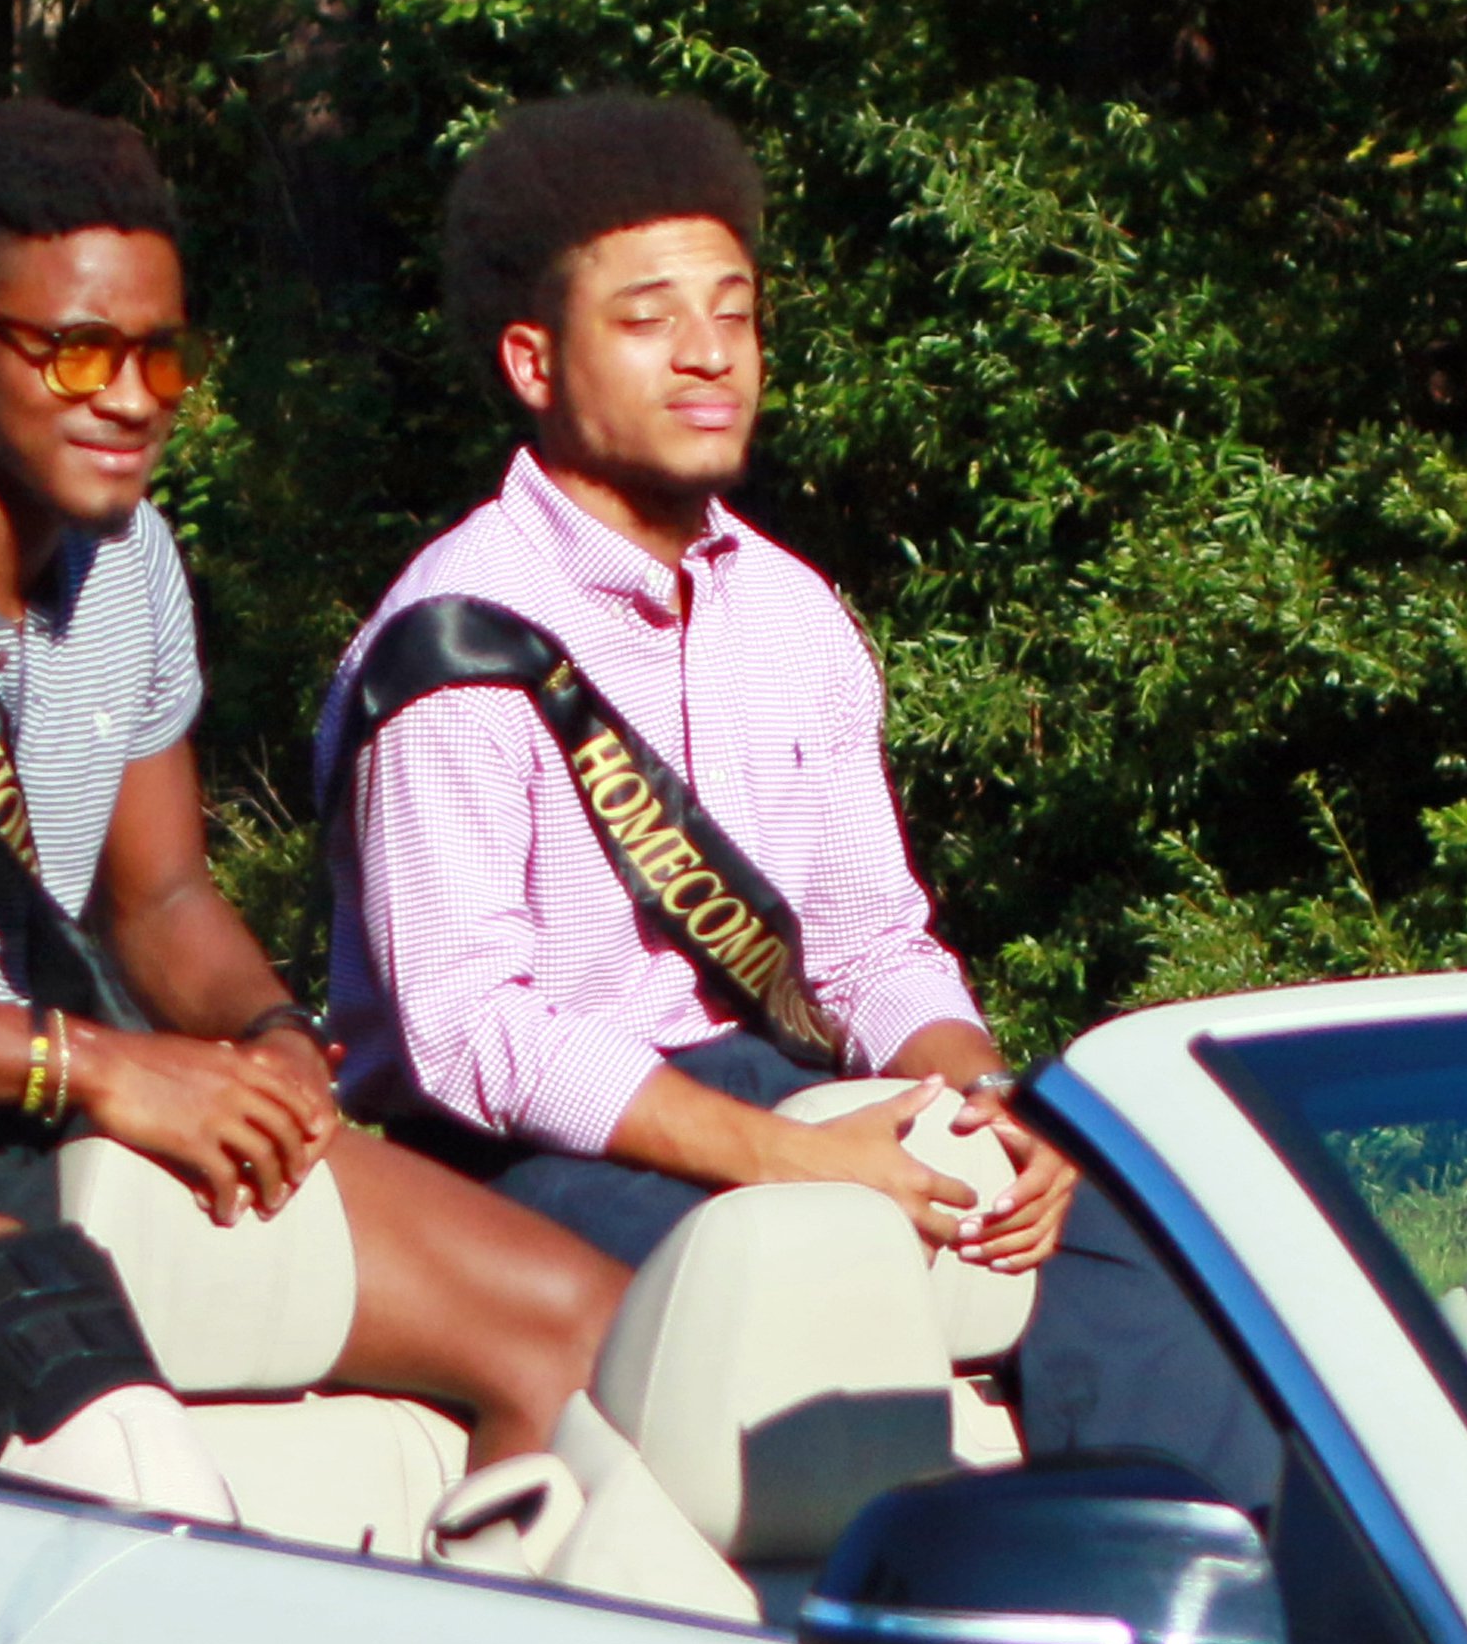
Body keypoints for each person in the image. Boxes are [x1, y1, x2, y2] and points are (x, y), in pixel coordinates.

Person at [0, 101, 622, 1511]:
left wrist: (277, 1039)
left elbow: (155, 900)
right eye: (79, 351)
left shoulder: (134, 558)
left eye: (164, 354)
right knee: (122, 1465)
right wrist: (95, 1067)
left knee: (586, 1338)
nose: (133, 396)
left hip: (49, 1109)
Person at [313, 94, 1278, 1507]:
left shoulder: (792, 614)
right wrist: (789, 1160)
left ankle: (1201, 1602)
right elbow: (471, 1034)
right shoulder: (455, 639)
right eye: (648, 319)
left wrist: (995, 1104)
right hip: (529, 1157)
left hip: (786, 1098)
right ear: (534, 359)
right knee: (810, 1260)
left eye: (736, 313)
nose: (708, 355)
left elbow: (873, 947)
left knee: (1141, 1204)